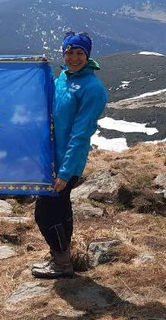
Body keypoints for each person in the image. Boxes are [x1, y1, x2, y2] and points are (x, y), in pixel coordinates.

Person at [31, 32, 109, 279]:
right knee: (61, 209)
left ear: (88, 55)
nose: (74, 58)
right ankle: (61, 256)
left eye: (79, 53)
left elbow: (80, 134)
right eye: (69, 52)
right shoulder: (63, 77)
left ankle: (61, 262)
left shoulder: (93, 89)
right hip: (50, 159)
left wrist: (65, 173)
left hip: (66, 163)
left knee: (45, 212)